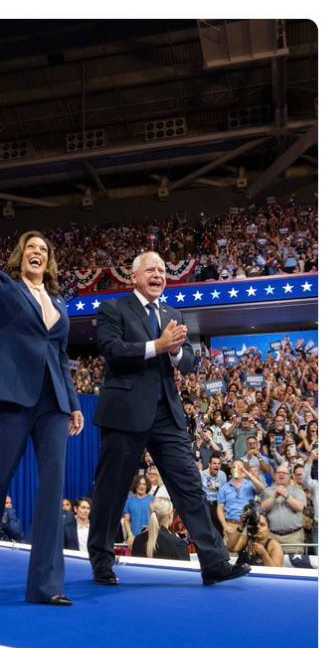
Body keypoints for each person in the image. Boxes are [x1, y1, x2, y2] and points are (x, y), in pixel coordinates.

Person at [0, 159, 83, 606]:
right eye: (31, 247)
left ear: (49, 262)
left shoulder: (61, 304)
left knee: (52, 492)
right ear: (20, 256)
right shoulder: (5, 289)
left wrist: (75, 403)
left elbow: (61, 355)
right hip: (11, 399)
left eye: (44, 250)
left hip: (54, 405)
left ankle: (45, 586)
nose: (37, 253)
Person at [88, 250, 251, 587]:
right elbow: (112, 350)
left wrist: (175, 349)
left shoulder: (173, 313)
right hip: (124, 415)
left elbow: (188, 361)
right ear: (134, 277)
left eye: (162, 270)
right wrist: (157, 345)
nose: (158, 275)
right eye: (151, 269)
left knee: (190, 488)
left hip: (167, 416)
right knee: (111, 490)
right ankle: (102, 562)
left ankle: (215, 563)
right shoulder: (114, 309)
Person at [216, 461, 265, 551]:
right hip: (232, 525)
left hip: (248, 525)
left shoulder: (250, 485)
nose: (236, 469)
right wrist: (224, 525)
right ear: (231, 470)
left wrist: (246, 473)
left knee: (249, 554)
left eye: (239, 467)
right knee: (231, 553)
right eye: (234, 467)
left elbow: (262, 488)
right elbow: (220, 508)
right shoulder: (224, 487)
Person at [260, 464, 306, 554]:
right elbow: (262, 507)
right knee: (273, 566)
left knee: (294, 566)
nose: (281, 475)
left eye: (284, 473)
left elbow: (299, 507)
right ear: (274, 475)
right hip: (272, 536)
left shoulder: (298, 491)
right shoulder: (267, 491)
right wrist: (274, 496)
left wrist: (286, 495)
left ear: (290, 476)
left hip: (293, 537)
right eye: (279, 473)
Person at [122, 475, 154, 546]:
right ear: (135, 485)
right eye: (139, 484)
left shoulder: (153, 500)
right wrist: (130, 535)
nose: (142, 486)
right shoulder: (129, 500)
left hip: (149, 539)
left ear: (147, 486)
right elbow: (126, 520)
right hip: (133, 539)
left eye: (144, 484)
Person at [200, 454, 227, 535]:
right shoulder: (202, 475)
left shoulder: (222, 475)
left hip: (218, 504)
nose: (217, 465)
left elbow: (224, 491)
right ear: (209, 465)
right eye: (214, 463)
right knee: (207, 530)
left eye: (219, 464)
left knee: (219, 530)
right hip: (206, 504)